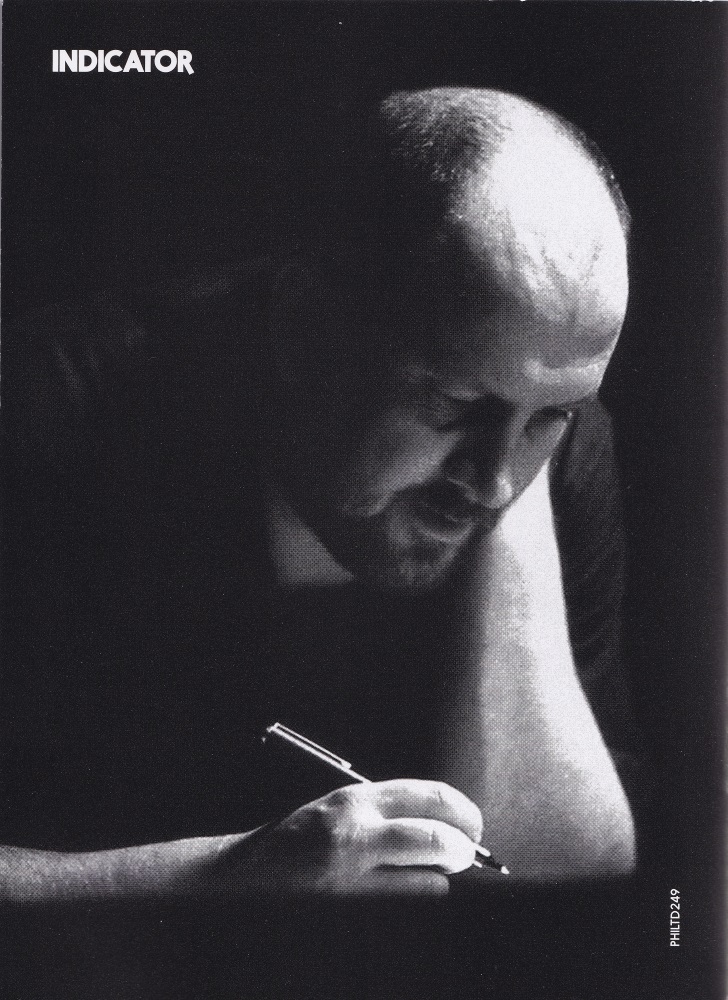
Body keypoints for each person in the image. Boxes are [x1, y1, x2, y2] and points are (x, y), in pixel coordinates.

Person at [1, 88, 640, 905]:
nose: (496, 481)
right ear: (304, 329)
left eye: (550, 415)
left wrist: (512, 439)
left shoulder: (555, 456)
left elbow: (564, 874)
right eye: (451, 401)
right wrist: (214, 881)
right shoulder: (42, 416)